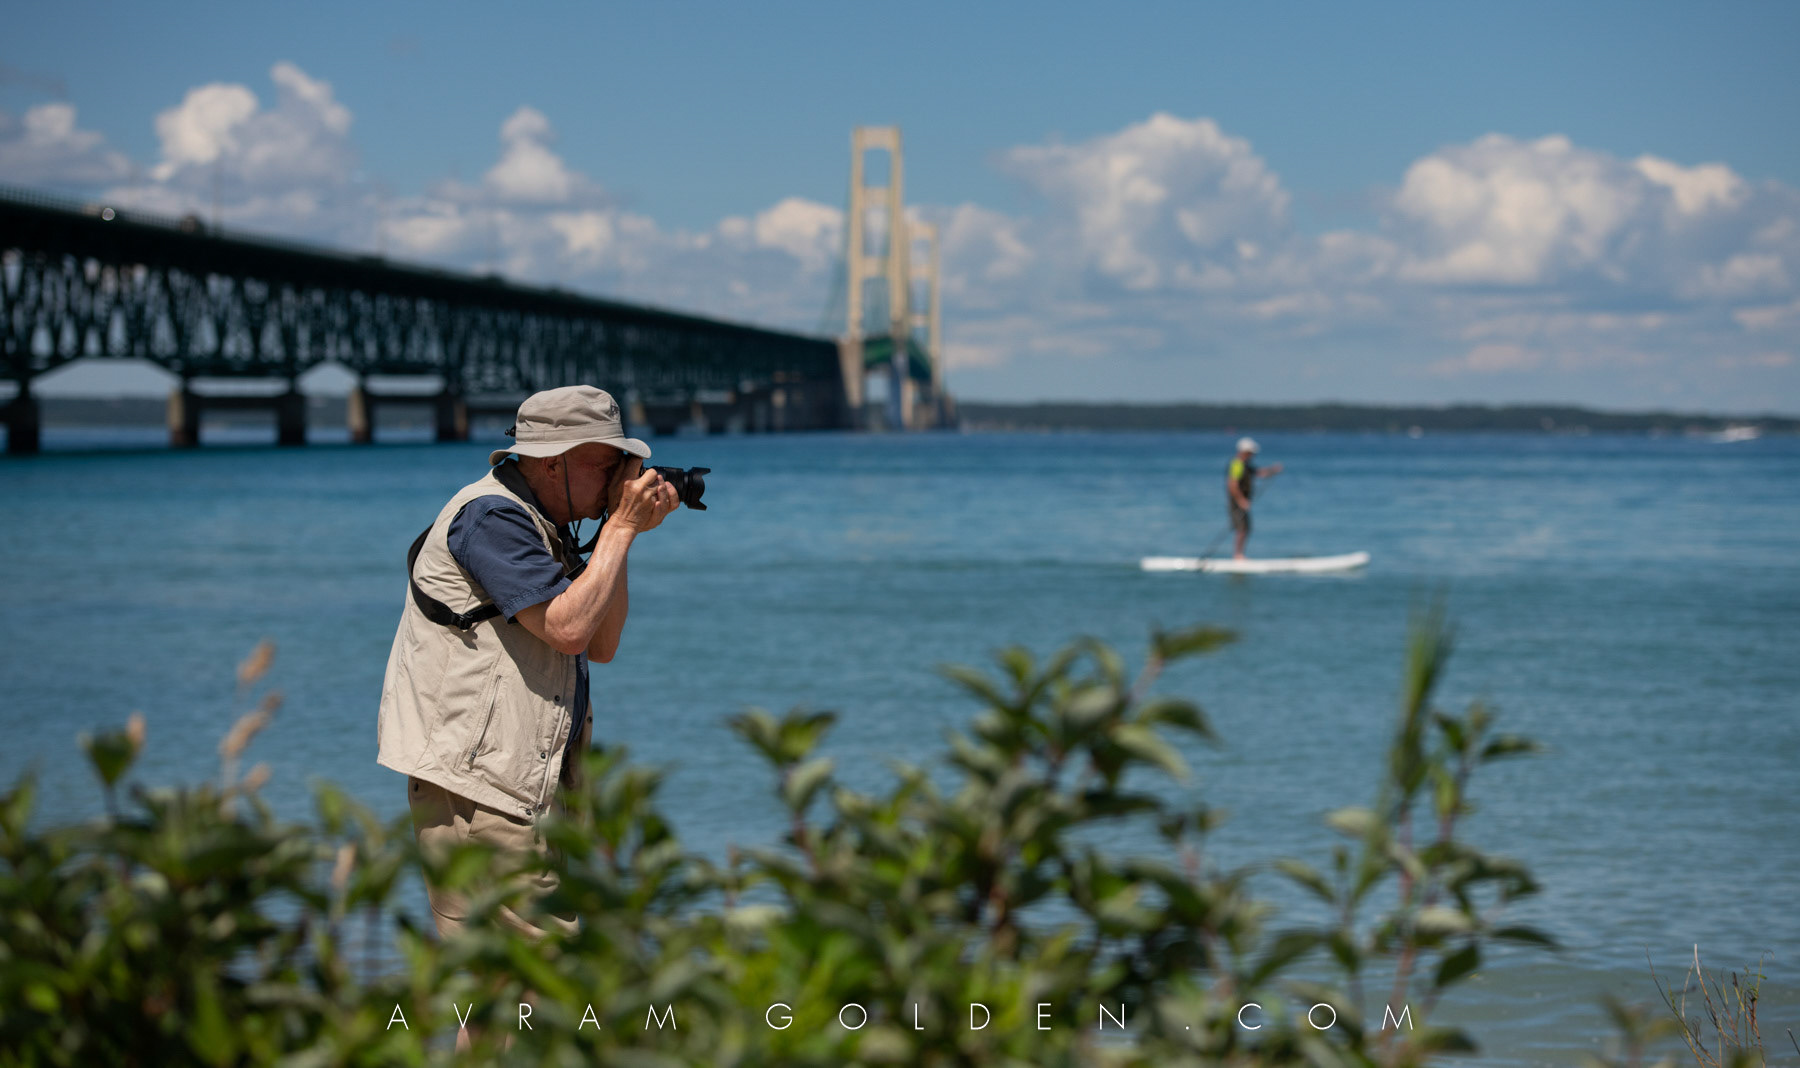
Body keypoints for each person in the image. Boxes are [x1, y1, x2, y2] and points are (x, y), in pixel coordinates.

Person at [376, 384, 678, 948]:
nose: (619, 481)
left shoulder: (545, 523)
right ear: (552, 463)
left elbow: (601, 642)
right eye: (606, 465)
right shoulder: (489, 518)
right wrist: (619, 528)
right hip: (483, 792)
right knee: (549, 979)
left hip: (525, 787)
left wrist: (621, 534)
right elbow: (566, 630)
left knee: (498, 995)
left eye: (623, 467)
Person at [1226, 437, 1282, 560]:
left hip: (1243, 501)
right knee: (1242, 528)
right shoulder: (1237, 464)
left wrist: (1273, 470)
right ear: (1245, 452)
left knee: (1246, 528)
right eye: (1251, 453)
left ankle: (1239, 555)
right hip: (1237, 502)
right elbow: (1232, 484)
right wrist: (1241, 500)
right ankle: (1237, 555)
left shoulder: (1245, 465)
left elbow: (1260, 473)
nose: (1252, 455)